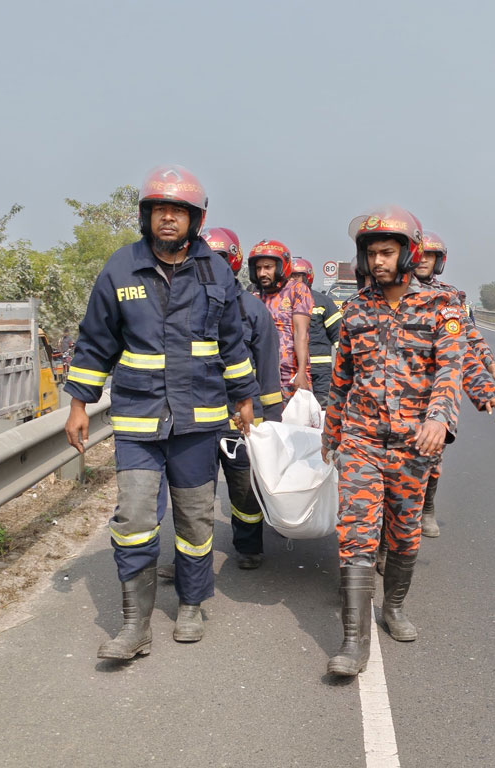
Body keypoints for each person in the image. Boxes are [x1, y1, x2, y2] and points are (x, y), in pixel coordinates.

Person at [64, 165, 259, 659]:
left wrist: (244, 399)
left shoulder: (216, 271)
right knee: (133, 518)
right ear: (145, 216)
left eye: (178, 211)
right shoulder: (121, 268)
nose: (168, 218)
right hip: (138, 419)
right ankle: (135, 625)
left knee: (195, 520)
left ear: (195, 220)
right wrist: (79, 404)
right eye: (159, 210)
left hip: (199, 419)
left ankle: (192, 603)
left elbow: (232, 342)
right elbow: (95, 341)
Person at [321, 206, 462, 677]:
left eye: (386, 252)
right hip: (360, 438)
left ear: (408, 254)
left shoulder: (442, 307)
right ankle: (352, 641)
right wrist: (331, 431)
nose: (377, 261)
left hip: (413, 445)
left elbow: (450, 369)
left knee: (403, 535)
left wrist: (438, 419)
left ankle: (394, 606)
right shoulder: (356, 309)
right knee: (356, 534)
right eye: (371, 253)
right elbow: (341, 378)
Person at [407, 230, 495, 540]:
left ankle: (427, 507)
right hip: (400, 384)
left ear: (439, 261)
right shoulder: (392, 291)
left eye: (430, 255)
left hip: (437, 388)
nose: (423, 260)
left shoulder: (449, 298)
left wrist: (491, 369)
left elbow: (467, 341)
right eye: (420, 253)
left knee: (432, 453)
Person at [201, 227, 283, 569]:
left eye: (218, 259)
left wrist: (269, 423)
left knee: (244, 489)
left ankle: (248, 547)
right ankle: (191, 559)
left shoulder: (253, 310)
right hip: (197, 417)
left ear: (233, 262)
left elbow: (268, 371)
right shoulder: (186, 307)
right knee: (193, 494)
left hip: (242, 418)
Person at [249, 240, 313, 400]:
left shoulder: (297, 290)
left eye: (268, 267)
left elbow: (300, 333)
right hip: (263, 374)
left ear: (281, 267)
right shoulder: (255, 296)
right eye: (258, 268)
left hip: (290, 376)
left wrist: (301, 372)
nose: (262, 273)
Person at [290, 257, 341, 408]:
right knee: (292, 409)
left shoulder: (322, 302)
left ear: (308, 277)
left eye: (297, 276)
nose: (293, 280)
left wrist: (344, 364)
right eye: (290, 276)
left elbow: (338, 333)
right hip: (290, 367)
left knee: (323, 407)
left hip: (319, 368)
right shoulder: (281, 302)